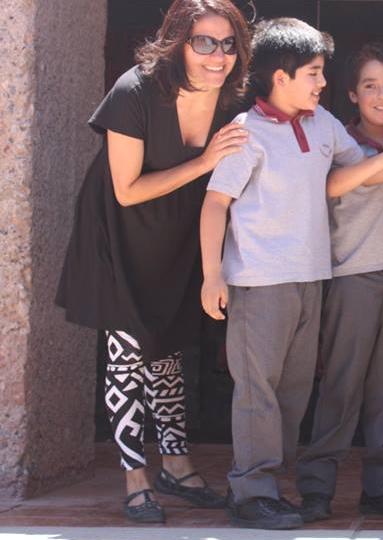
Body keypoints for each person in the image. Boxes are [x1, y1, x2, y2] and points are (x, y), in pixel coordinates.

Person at [199, 18, 383, 530]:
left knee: (294, 393)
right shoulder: (245, 133)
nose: (323, 84)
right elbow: (215, 204)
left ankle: (267, 490)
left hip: (312, 278)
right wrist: (213, 276)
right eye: (315, 73)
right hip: (258, 282)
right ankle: (251, 492)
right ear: (282, 76)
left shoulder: (324, 125)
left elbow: (348, 172)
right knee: (258, 392)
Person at [56, 0, 251, 523]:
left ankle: (178, 466)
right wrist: (206, 160)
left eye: (228, 44)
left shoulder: (232, 101)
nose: (218, 55)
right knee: (128, 353)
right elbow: (126, 190)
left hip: (174, 236)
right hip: (117, 234)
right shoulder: (136, 90)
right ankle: (136, 477)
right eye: (204, 42)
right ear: (178, 43)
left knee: (167, 348)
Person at [296, 42, 383, 521]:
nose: (382, 95)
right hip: (353, 277)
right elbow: (331, 187)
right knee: (340, 389)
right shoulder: (336, 139)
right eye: (371, 86)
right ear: (352, 94)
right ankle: (317, 487)